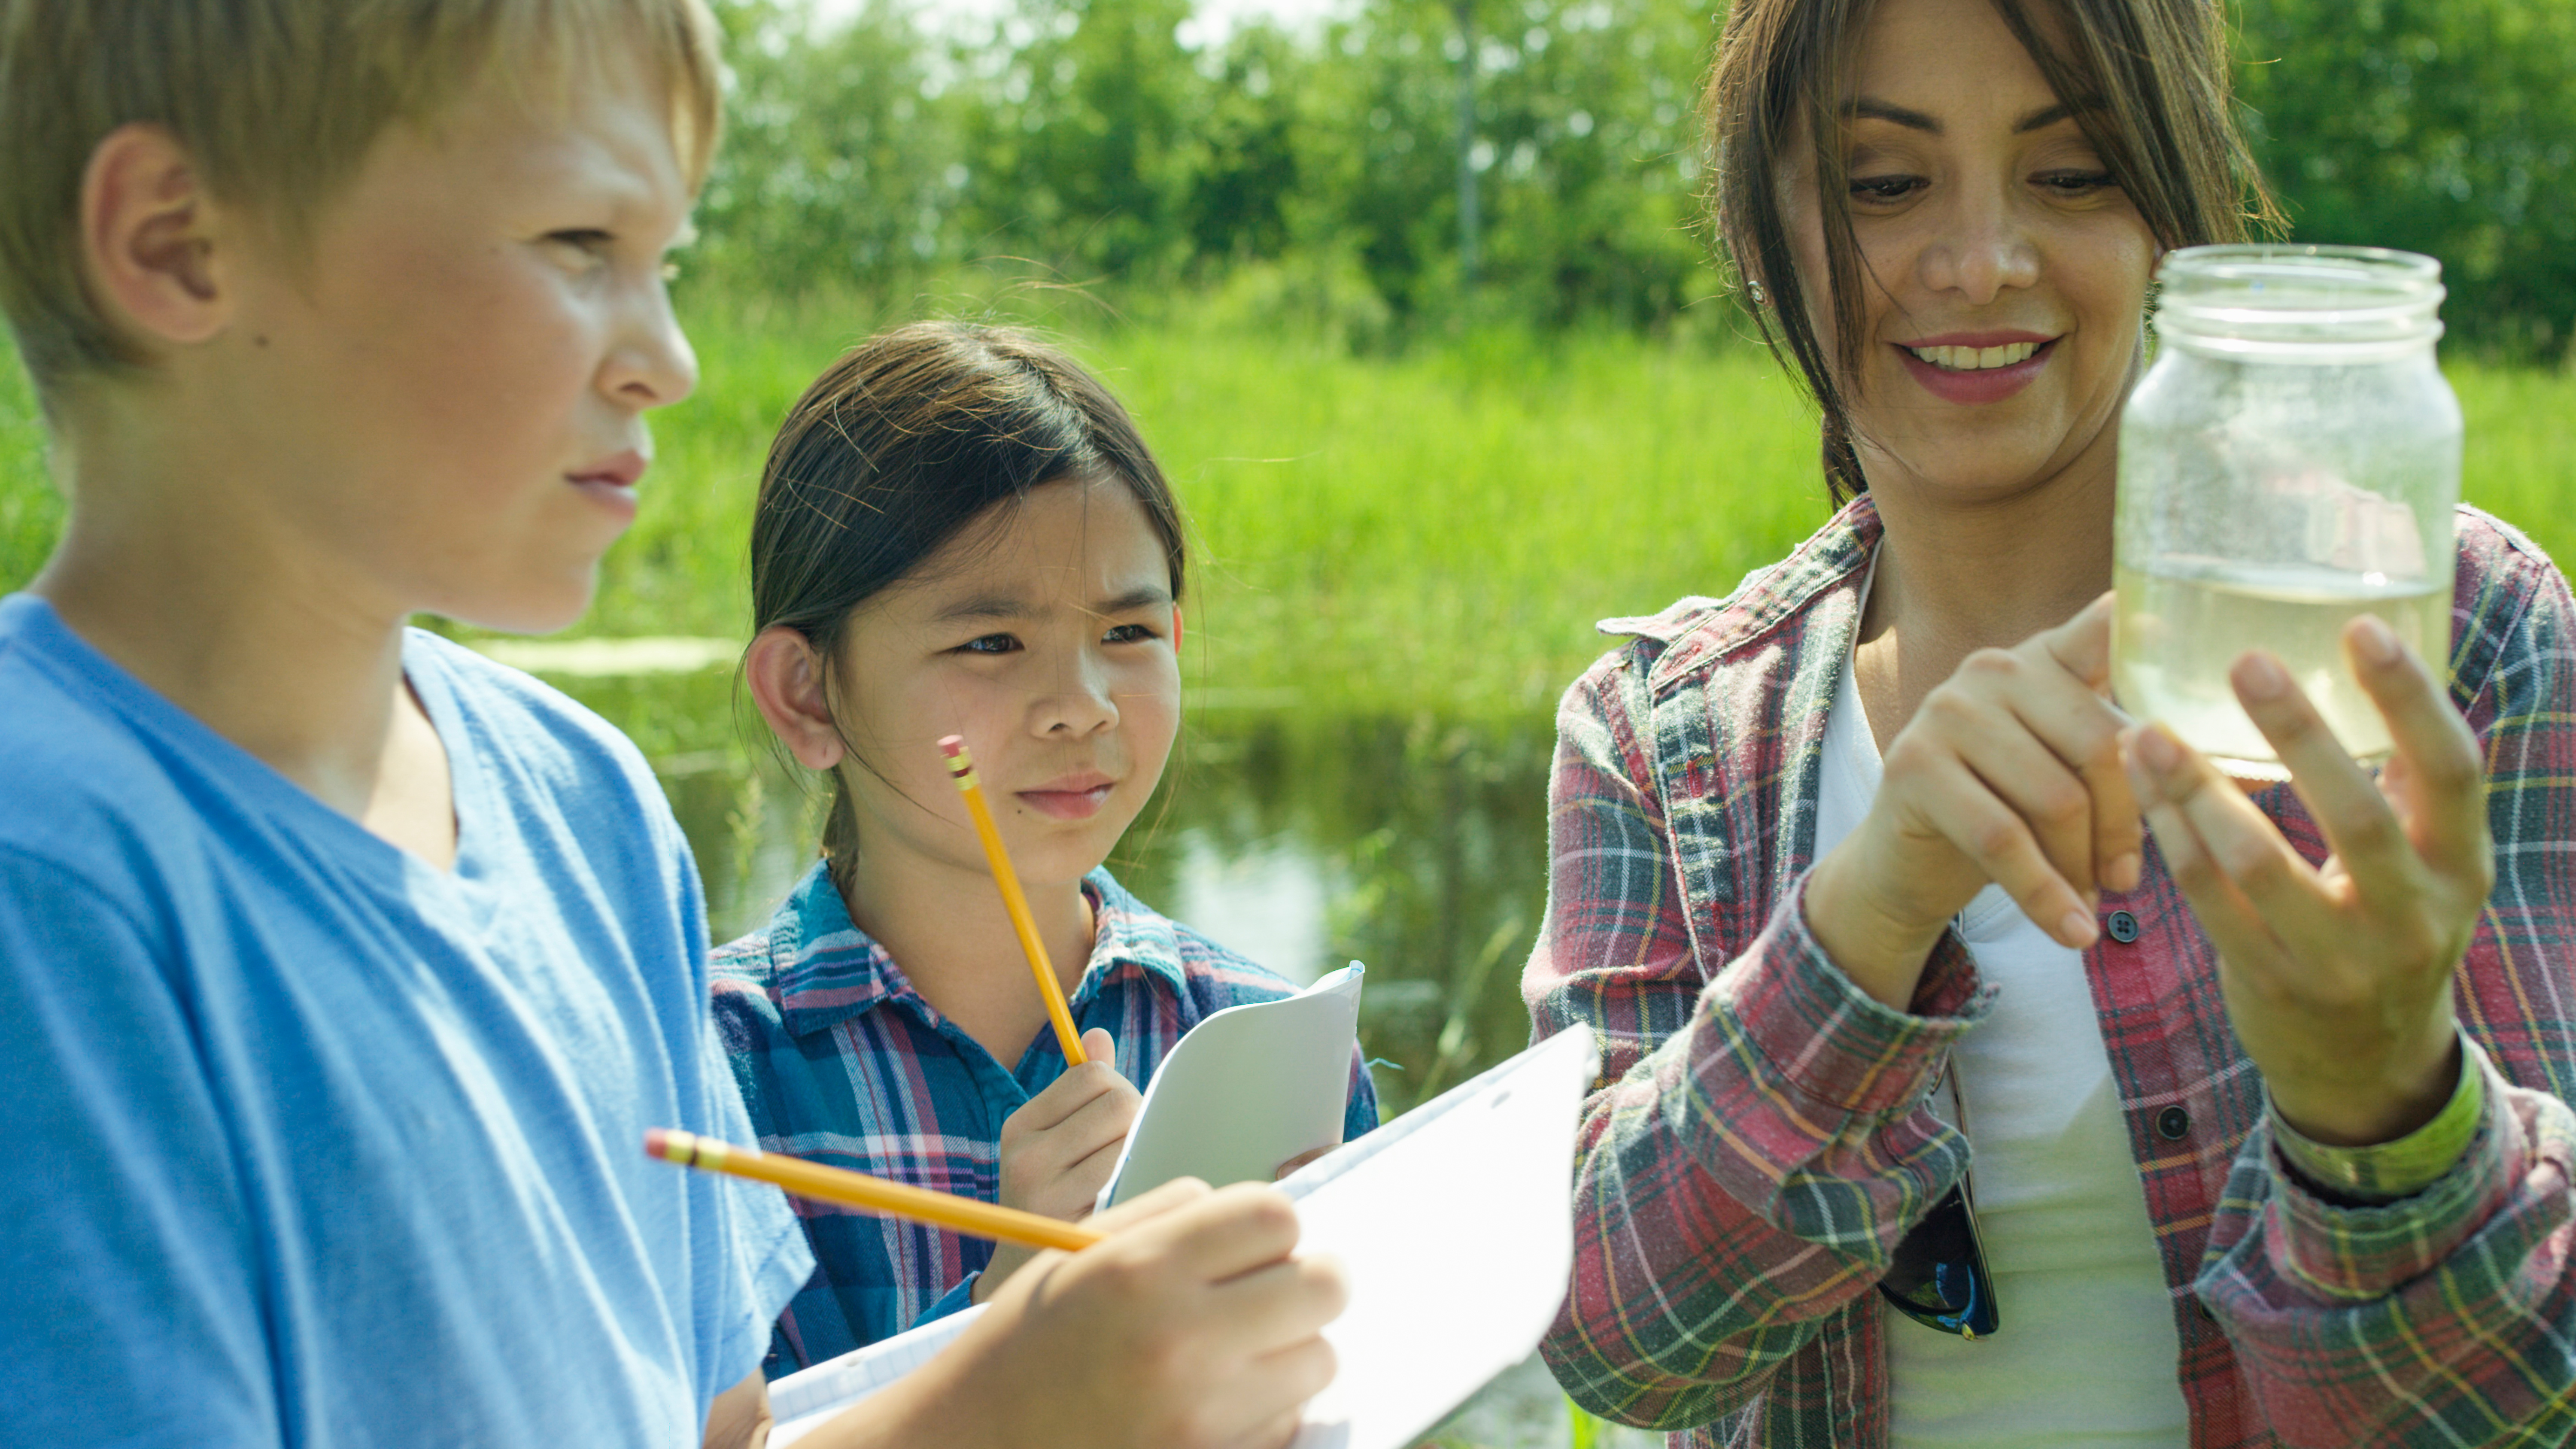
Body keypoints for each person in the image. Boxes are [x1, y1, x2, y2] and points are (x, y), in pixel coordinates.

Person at [0, 5, 1342, 1447]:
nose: (670, 359)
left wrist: (1035, 1375)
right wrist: (1006, 1399)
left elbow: (719, 1434)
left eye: (667, 264)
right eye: (580, 246)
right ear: (175, 241)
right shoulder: (47, 878)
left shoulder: (583, 802)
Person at [1521, 0, 2576, 1446]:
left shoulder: (2434, 634)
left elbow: (2524, 1403)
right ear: (1761, 242)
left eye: (2072, 176)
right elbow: (1613, 1345)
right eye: (1884, 186)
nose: (1981, 264)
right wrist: (1865, 917)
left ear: (2172, 216)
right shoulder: (1664, 737)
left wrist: (2379, 1095)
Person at [723, 319, 1381, 1375]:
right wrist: (1003, 1320)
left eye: (1125, 634)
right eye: (991, 642)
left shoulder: (1264, 1044)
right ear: (809, 692)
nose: (1080, 707)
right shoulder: (713, 1070)